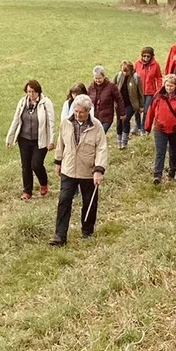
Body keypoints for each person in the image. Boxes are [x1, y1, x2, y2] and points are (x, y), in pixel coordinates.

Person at [49, 95, 108, 246]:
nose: (77, 114)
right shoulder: (66, 123)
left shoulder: (97, 126)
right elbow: (61, 143)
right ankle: (60, 235)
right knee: (64, 201)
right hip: (68, 169)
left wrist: (99, 170)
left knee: (89, 202)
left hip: (88, 171)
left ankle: (87, 230)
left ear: (88, 111)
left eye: (81, 112)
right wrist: (58, 161)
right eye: (75, 111)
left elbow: (101, 149)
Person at [4, 79, 55, 200]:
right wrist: (9, 138)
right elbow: (16, 120)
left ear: (38, 92)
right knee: (26, 166)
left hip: (40, 139)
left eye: (33, 92)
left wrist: (51, 140)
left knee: (36, 164)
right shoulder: (22, 102)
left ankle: (43, 183)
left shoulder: (46, 103)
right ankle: (27, 191)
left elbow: (51, 122)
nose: (31, 94)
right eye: (28, 91)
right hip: (24, 138)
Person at [144, 74, 176, 184]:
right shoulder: (158, 95)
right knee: (160, 152)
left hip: (175, 129)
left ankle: (172, 173)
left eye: (171, 86)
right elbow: (151, 111)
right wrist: (147, 127)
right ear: (164, 85)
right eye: (167, 85)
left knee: (173, 152)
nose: (169, 88)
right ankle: (157, 175)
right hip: (160, 128)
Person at [114, 60, 143, 148]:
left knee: (125, 119)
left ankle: (124, 141)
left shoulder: (135, 77)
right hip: (119, 104)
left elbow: (140, 92)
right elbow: (113, 89)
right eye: (123, 71)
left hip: (131, 104)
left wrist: (141, 106)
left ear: (131, 70)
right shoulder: (118, 76)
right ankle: (119, 140)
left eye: (127, 71)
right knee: (119, 122)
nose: (125, 73)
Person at [87, 65, 123, 134]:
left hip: (106, 118)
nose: (97, 80)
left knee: (100, 135)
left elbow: (119, 99)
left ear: (104, 76)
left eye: (99, 78)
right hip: (94, 118)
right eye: (96, 78)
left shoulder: (111, 86)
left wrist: (122, 113)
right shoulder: (91, 87)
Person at [134, 47, 163, 133]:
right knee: (137, 109)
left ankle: (143, 127)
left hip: (150, 91)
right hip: (138, 91)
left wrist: (159, 89)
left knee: (146, 111)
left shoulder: (155, 65)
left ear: (152, 56)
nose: (146, 58)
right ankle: (137, 125)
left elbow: (159, 77)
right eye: (144, 56)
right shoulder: (137, 64)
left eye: (148, 56)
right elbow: (133, 75)